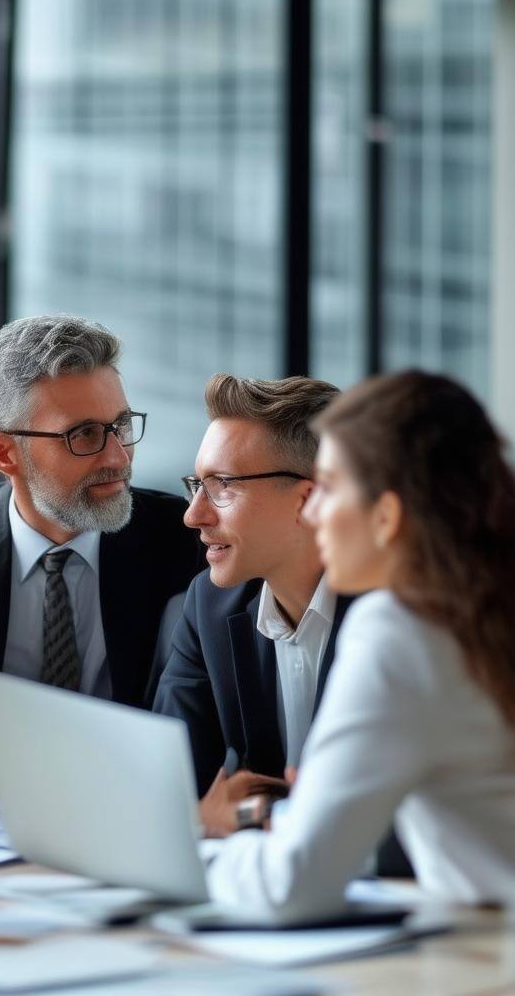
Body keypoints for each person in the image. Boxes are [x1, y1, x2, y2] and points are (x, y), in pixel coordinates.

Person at [206, 370, 515, 920]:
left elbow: (290, 885)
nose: (314, 511)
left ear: (386, 516)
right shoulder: (478, 609)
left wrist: (200, 854)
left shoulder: (403, 629)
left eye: (327, 487)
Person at [0, 315, 203, 786]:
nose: (118, 457)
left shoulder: (184, 541)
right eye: (84, 435)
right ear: (4, 452)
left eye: (122, 425)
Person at [152, 374, 347, 835]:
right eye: (195, 485)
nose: (193, 515)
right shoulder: (211, 606)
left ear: (309, 499)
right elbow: (170, 791)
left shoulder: (400, 613)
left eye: (221, 486)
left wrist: (247, 816)